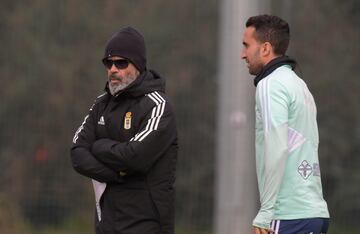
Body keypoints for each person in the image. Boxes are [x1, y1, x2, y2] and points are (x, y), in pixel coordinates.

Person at [70, 26, 178, 234]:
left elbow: (134, 156)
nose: (113, 69)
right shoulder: (101, 103)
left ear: (137, 65)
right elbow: (77, 153)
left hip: (146, 225)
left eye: (121, 62)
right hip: (106, 225)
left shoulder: (158, 106)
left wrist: (99, 146)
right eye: (108, 63)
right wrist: (116, 174)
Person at [241, 15, 330, 234]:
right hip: (314, 213)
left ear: (265, 49)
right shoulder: (299, 85)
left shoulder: (270, 84)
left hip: (287, 215)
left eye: (246, 45)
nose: (242, 54)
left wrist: (266, 212)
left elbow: (277, 147)